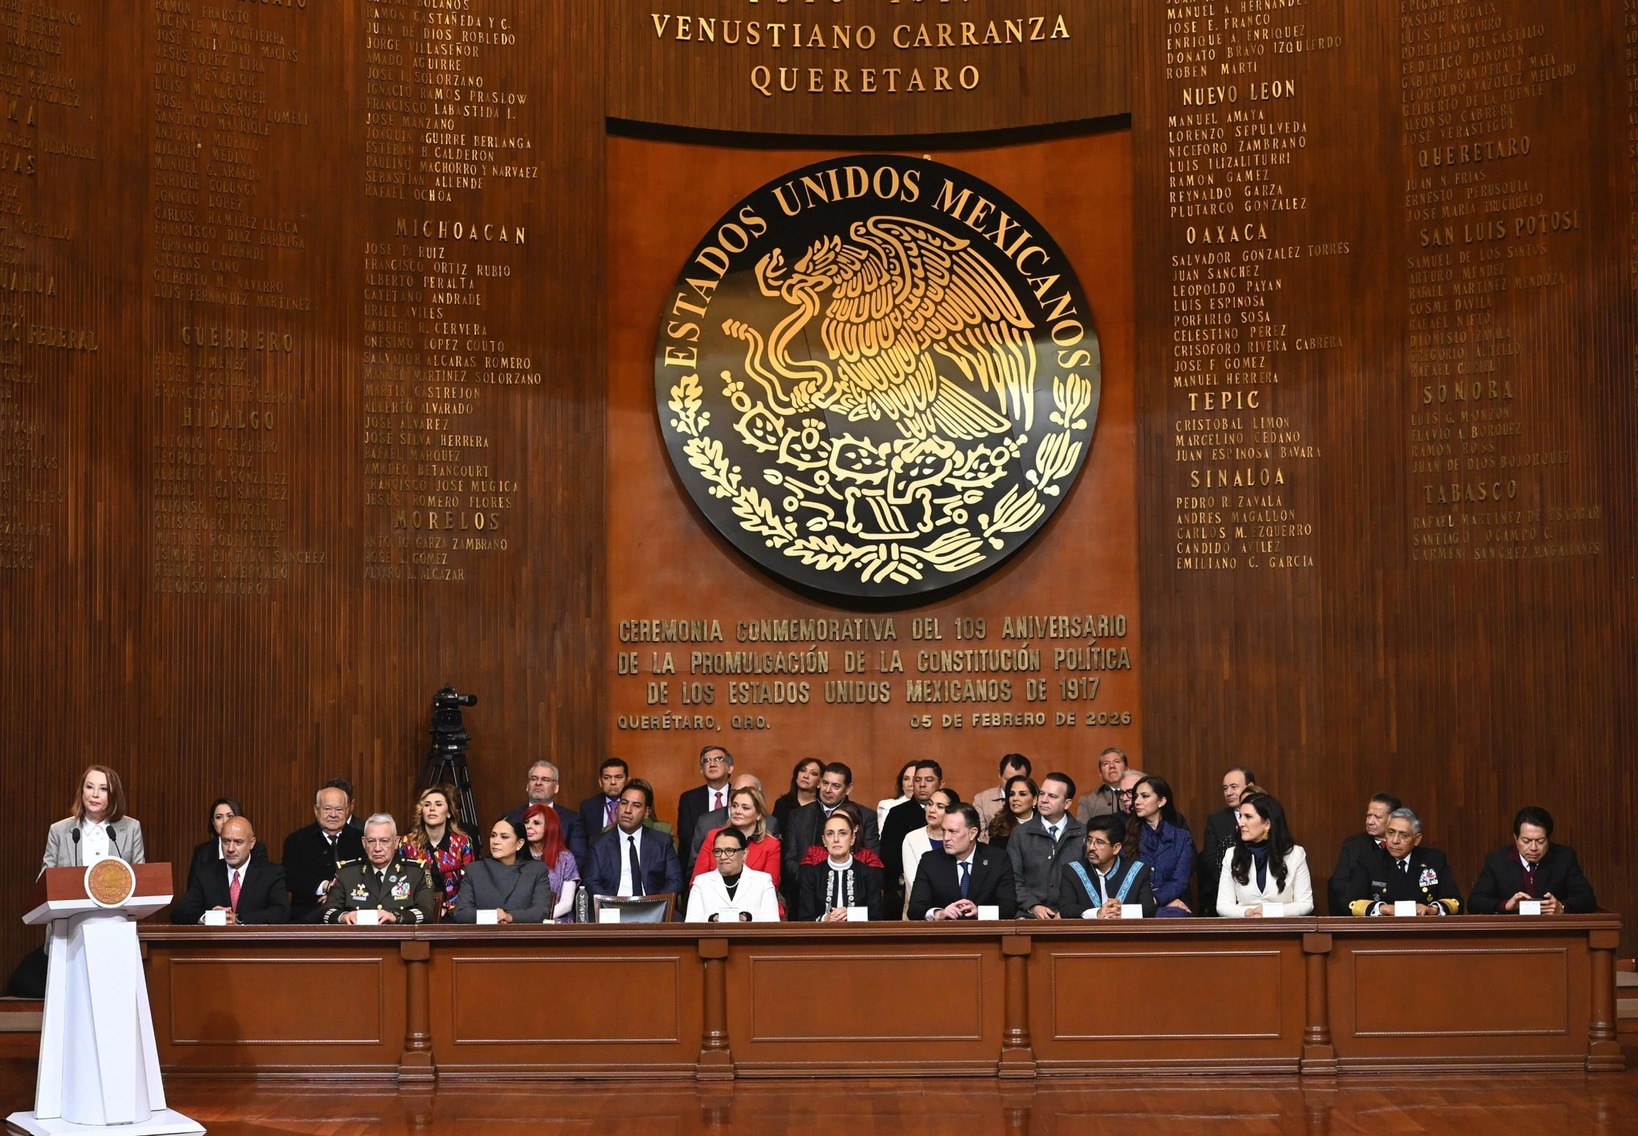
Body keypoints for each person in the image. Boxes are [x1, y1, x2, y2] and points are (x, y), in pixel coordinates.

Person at [781, 761, 881, 902]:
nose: (828, 790)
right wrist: (813, 884)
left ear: (848, 789)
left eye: (836, 786)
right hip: (804, 896)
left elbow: (872, 861)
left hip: (852, 897)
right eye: (825, 783)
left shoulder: (866, 816)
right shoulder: (797, 815)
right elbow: (790, 860)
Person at [1468, 806, 1597, 915]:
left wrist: (1561, 907)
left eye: (1540, 841)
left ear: (1548, 838)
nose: (1534, 848)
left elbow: (1587, 898)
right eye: (1527, 841)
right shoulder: (1497, 860)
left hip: (1553, 933)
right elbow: (1475, 902)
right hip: (1510, 933)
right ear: (1515, 837)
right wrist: (1506, 905)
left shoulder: (1564, 857)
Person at [321, 814, 440, 925]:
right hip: (357, 942)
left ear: (396, 842)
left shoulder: (416, 872)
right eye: (371, 841)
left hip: (400, 942)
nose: (377, 848)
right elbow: (326, 912)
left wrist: (396, 917)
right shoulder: (347, 873)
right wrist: (343, 916)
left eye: (384, 841)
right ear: (363, 843)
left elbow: (426, 914)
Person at [1344, 807, 1462, 916]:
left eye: (1404, 835)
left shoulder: (1434, 860)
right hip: (1383, 932)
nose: (1395, 840)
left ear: (1417, 839)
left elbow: (1455, 902)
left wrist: (1433, 909)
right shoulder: (1369, 861)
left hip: (1423, 931)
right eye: (1390, 833)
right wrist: (1382, 908)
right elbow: (1350, 904)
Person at [171, 816, 289, 925]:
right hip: (215, 945)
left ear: (251, 843)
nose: (230, 849)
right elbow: (180, 912)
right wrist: (208, 917)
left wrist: (238, 919)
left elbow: (281, 912)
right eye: (226, 842)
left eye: (238, 842)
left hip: (254, 944)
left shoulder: (271, 873)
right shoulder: (206, 874)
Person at [908, 804, 1018, 920]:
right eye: (944, 831)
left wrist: (979, 912)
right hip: (944, 935)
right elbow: (915, 909)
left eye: (953, 831)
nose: (946, 838)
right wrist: (939, 914)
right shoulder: (930, 861)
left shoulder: (997, 859)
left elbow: (1009, 908)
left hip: (984, 934)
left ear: (972, 833)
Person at [1216, 794, 1313, 917]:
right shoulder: (1231, 855)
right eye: (1240, 816)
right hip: (1246, 928)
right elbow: (1223, 906)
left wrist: (1268, 912)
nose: (1240, 823)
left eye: (1248, 817)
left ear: (1267, 824)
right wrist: (1248, 913)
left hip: (1284, 930)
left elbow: (1306, 903)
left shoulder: (1295, 854)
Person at [40, 765, 147, 874]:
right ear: (82, 791)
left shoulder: (131, 828)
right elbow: (45, 882)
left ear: (114, 795)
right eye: (89, 787)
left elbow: (141, 878)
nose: (95, 794)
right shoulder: (58, 830)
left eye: (103, 789)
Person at [1009, 772, 1086, 919]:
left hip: (1072, 917)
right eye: (1042, 793)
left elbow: (1089, 881)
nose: (1043, 800)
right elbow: (1013, 879)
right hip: (1029, 915)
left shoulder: (1083, 834)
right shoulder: (1020, 834)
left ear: (1067, 803)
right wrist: (1033, 906)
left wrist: (1068, 910)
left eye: (1052, 796)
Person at [283, 785, 366, 922]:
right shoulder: (297, 841)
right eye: (327, 809)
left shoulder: (361, 840)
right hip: (308, 914)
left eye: (339, 809)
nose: (333, 814)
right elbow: (291, 878)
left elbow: (368, 876)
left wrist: (336, 896)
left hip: (353, 912)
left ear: (347, 811)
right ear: (316, 810)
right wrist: (325, 887)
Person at [586, 785, 684, 899]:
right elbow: (590, 882)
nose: (627, 810)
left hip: (652, 908)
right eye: (623, 803)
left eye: (636, 805)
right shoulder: (598, 843)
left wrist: (653, 905)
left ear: (647, 813)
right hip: (612, 908)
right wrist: (613, 904)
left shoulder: (662, 842)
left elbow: (675, 881)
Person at [450, 816, 553, 924]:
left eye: (504, 837)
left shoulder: (536, 870)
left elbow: (540, 912)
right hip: (484, 937)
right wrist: (493, 917)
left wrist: (510, 917)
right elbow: (461, 913)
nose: (496, 842)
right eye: (493, 836)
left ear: (519, 844)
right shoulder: (475, 870)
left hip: (522, 937)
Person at [1056, 814, 1157, 918]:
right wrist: (1096, 913)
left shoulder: (1138, 871)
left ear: (1116, 848)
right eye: (1089, 840)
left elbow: (1149, 909)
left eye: (1099, 842)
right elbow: (1066, 908)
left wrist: (1122, 912)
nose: (1091, 847)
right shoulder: (1072, 871)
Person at [398, 785, 476, 919]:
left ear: (449, 812)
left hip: (455, 913)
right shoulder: (406, 843)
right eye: (427, 805)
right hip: (416, 911)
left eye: (438, 804)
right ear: (421, 812)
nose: (432, 808)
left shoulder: (463, 843)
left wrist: (446, 907)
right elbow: (401, 882)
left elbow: (469, 884)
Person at [690, 785, 782, 896]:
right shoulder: (713, 836)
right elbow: (697, 881)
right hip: (713, 901)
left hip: (754, 905)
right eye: (734, 806)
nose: (737, 811)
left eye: (745, 808)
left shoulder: (771, 845)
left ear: (759, 814)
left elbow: (770, 888)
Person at [796, 810, 883, 921]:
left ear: (852, 838)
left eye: (842, 833)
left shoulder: (869, 874)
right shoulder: (811, 875)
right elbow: (804, 918)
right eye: (830, 834)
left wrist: (852, 915)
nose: (836, 839)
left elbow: (876, 918)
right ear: (824, 840)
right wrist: (825, 919)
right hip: (821, 937)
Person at [881, 760, 943, 915]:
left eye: (929, 780)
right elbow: (888, 859)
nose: (922, 784)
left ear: (941, 783)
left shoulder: (953, 812)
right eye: (917, 780)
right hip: (904, 892)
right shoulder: (897, 814)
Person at [1127, 775, 1195, 916]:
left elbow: (1180, 881)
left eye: (1145, 796)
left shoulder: (1181, 838)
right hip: (1136, 905)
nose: (1137, 802)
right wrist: (1148, 903)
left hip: (1172, 905)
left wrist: (1157, 900)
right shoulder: (1127, 835)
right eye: (1136, 796)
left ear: (1161, 801)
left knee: (1176, 915)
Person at [1326, 792, 1400, 916]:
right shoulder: (1354, 846)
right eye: (1368, 815)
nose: (1370, 822)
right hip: (1363, 915)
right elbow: (1340, 885)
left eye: (1377, 817)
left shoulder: (1404, 846)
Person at [686, 828, 780, 922]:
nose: (723, 857)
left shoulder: (763, 881)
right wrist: (712, 918)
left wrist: (747, 918)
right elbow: (691, 923)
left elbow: (773, 921)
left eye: (730, 851)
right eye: (718, 851)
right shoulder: (701, 883)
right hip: (713, 936)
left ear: (744, 854)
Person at [1197, 767, 1256, 917]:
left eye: (1234, 787)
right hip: (1223, 887)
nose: (1228, 793)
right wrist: (1232, 885)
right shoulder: (1216, 820)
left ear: (1249, 787)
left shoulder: (1265, 815)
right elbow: (1210, 859)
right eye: (1225, 788)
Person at [505, 760, 588, 866]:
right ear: (527, 786)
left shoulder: (572, 819)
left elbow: (578, 858)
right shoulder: (511, 817)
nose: (538, 783)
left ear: (556, 787)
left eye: (545, 779)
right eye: (534, 778)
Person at [688, 772, 781, 863]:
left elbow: (770, 877)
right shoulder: (709, 828)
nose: (740, 796)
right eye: (735, 792)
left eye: (745, 807)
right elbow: (696, 871)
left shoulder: (771, 826)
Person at [186, 795, 267, 893]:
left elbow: (262, 886)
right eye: (219, 817)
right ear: (213, 822)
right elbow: (193, 889)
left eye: (230, 816)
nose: (225, 822)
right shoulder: (203, 851)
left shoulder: (257, 848)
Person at [900, 788, 960, 918]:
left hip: (959, 912)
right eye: (930, 804)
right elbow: (913, 882)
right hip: (922, 914)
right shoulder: (912, 838)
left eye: (940, 806)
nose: (931, 810)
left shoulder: (963, 838)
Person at [523, 803, 581, 921]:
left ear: (550, 827)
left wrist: (538, 918)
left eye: (536, 823)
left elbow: (566, 903)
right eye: (526, 822)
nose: (528, 826)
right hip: (522, 922)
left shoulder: (565, 858)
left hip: (556, 921)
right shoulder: (516, 856)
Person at [677, 745, 735, 857]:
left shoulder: (740, 795)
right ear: (702, 770)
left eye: (718, 759)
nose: (712, 764)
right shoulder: (689, 799)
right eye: (707, 761)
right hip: (701, 861)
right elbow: (687, 840)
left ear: (730, 768)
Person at [973, 753, 1032, 838]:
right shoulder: (982, 800)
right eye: (1008, 780)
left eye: (1018, 780)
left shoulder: (1037, 798)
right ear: (999, 773)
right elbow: (979, 836)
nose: (1012, 784)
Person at [578, 758, 630, 841]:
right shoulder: (588, 807)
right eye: (607, 778)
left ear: (627, 781)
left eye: (618, 777)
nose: (613, 782)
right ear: (600, 782)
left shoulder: (635, 805)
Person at [772, 756, 824, 837]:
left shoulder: (823, 808)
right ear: (796, 776)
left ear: (820, 781)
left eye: (813, 773)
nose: (806, 776)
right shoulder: (782, 804)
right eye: (803, 771)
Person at [985, 775, 1038, 851]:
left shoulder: (1044, 824)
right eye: (1011, 794)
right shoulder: (999, 826)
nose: (1015, 798)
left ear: (1034, 800)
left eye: (1022, 794)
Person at [1075, 747, 1127, 822]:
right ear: (1100, 774)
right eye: (1106, 763)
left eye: (1117, 761)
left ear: (1126, 769)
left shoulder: (1137, 794)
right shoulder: (1087, 799)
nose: (1112, 766)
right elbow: (1082, 831)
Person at [877, 761, 916, 830]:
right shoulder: (887, 805)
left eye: (915, 779)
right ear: (901, 784)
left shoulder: (931, 807)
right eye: (906, 779)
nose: (910, 784)